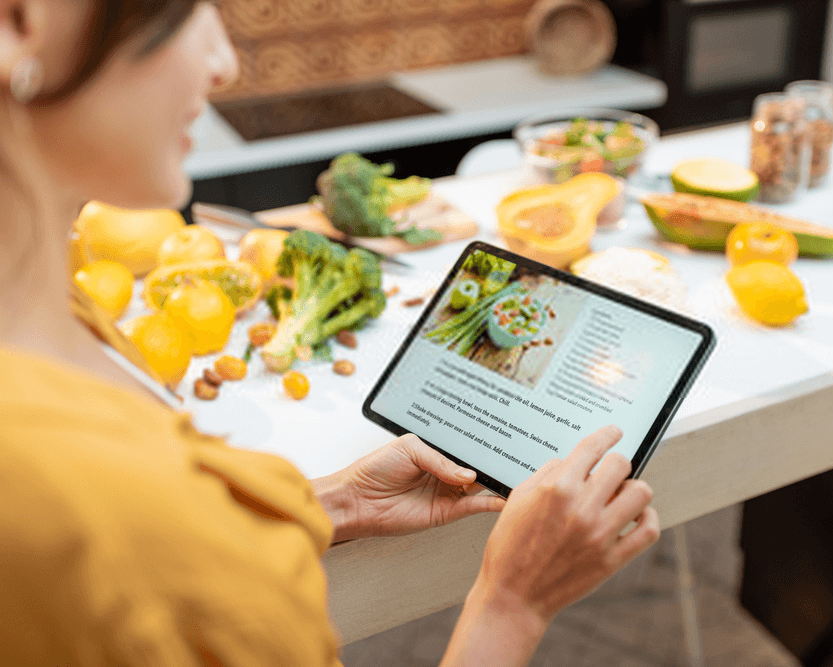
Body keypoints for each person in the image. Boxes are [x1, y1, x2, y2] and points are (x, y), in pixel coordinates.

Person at [0, 1, 661, 665]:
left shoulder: (49, 305)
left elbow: (146, 527)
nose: (224, 64)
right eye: (182, 13)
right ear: (19, 26)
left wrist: (338, 501)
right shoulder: (52, 478)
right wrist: (512, 602)